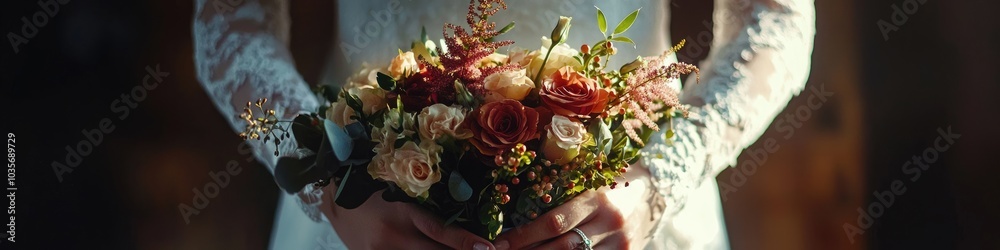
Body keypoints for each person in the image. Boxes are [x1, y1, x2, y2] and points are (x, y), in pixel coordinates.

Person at [192, 0, 815, 249]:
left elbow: (778, 16)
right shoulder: (343, 201)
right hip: (368, 220)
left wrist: (662, 176)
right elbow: (228, 24)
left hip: (626, 219)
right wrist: (327, 188)